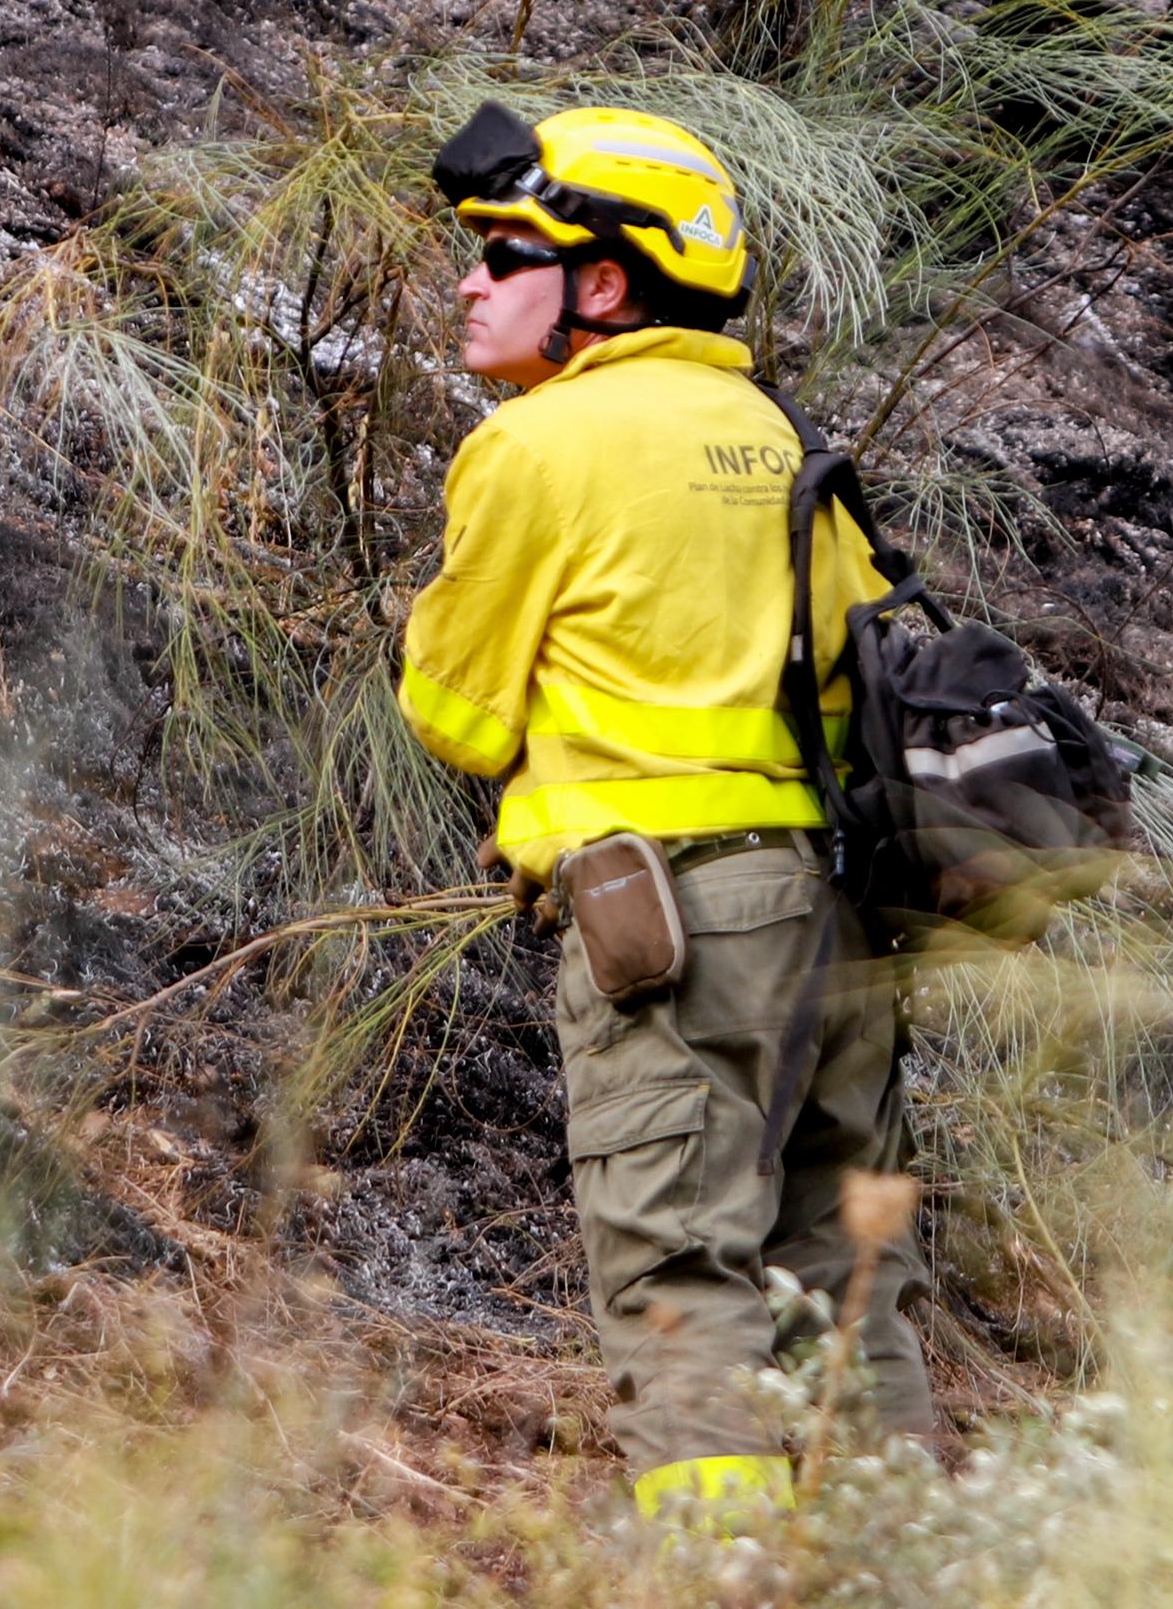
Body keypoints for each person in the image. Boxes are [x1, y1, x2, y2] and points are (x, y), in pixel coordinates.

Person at [391, 101, 937, 1526]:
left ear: (603, 283)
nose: (471, 282)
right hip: (841, 925)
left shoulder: (537, 445)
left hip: (671, 932)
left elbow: (455, 717)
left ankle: (720, 1575)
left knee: (681, 1284)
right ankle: (898, 1566)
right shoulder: (776, 434)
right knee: (845, 1288)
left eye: (504, 254)